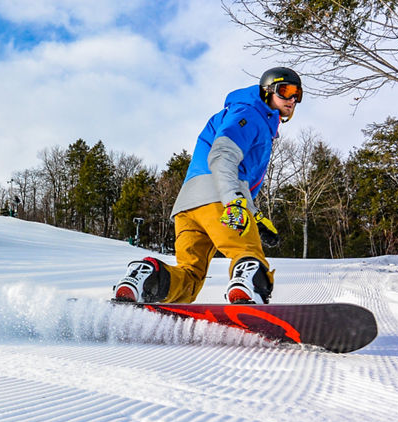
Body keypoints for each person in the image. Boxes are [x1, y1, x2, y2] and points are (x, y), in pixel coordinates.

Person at [114, 67, 302, 305]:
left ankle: (148, 279)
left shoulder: (246, 116)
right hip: (220, 200)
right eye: (285, 91)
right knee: (247, 253)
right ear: (266, 92)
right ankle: (248, 290)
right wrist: (234, 201)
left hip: (189, 207)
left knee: (190, 277)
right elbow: (222, 156)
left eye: (297, 94)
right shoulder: (250, 113)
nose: (292, 99)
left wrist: (255, 216)